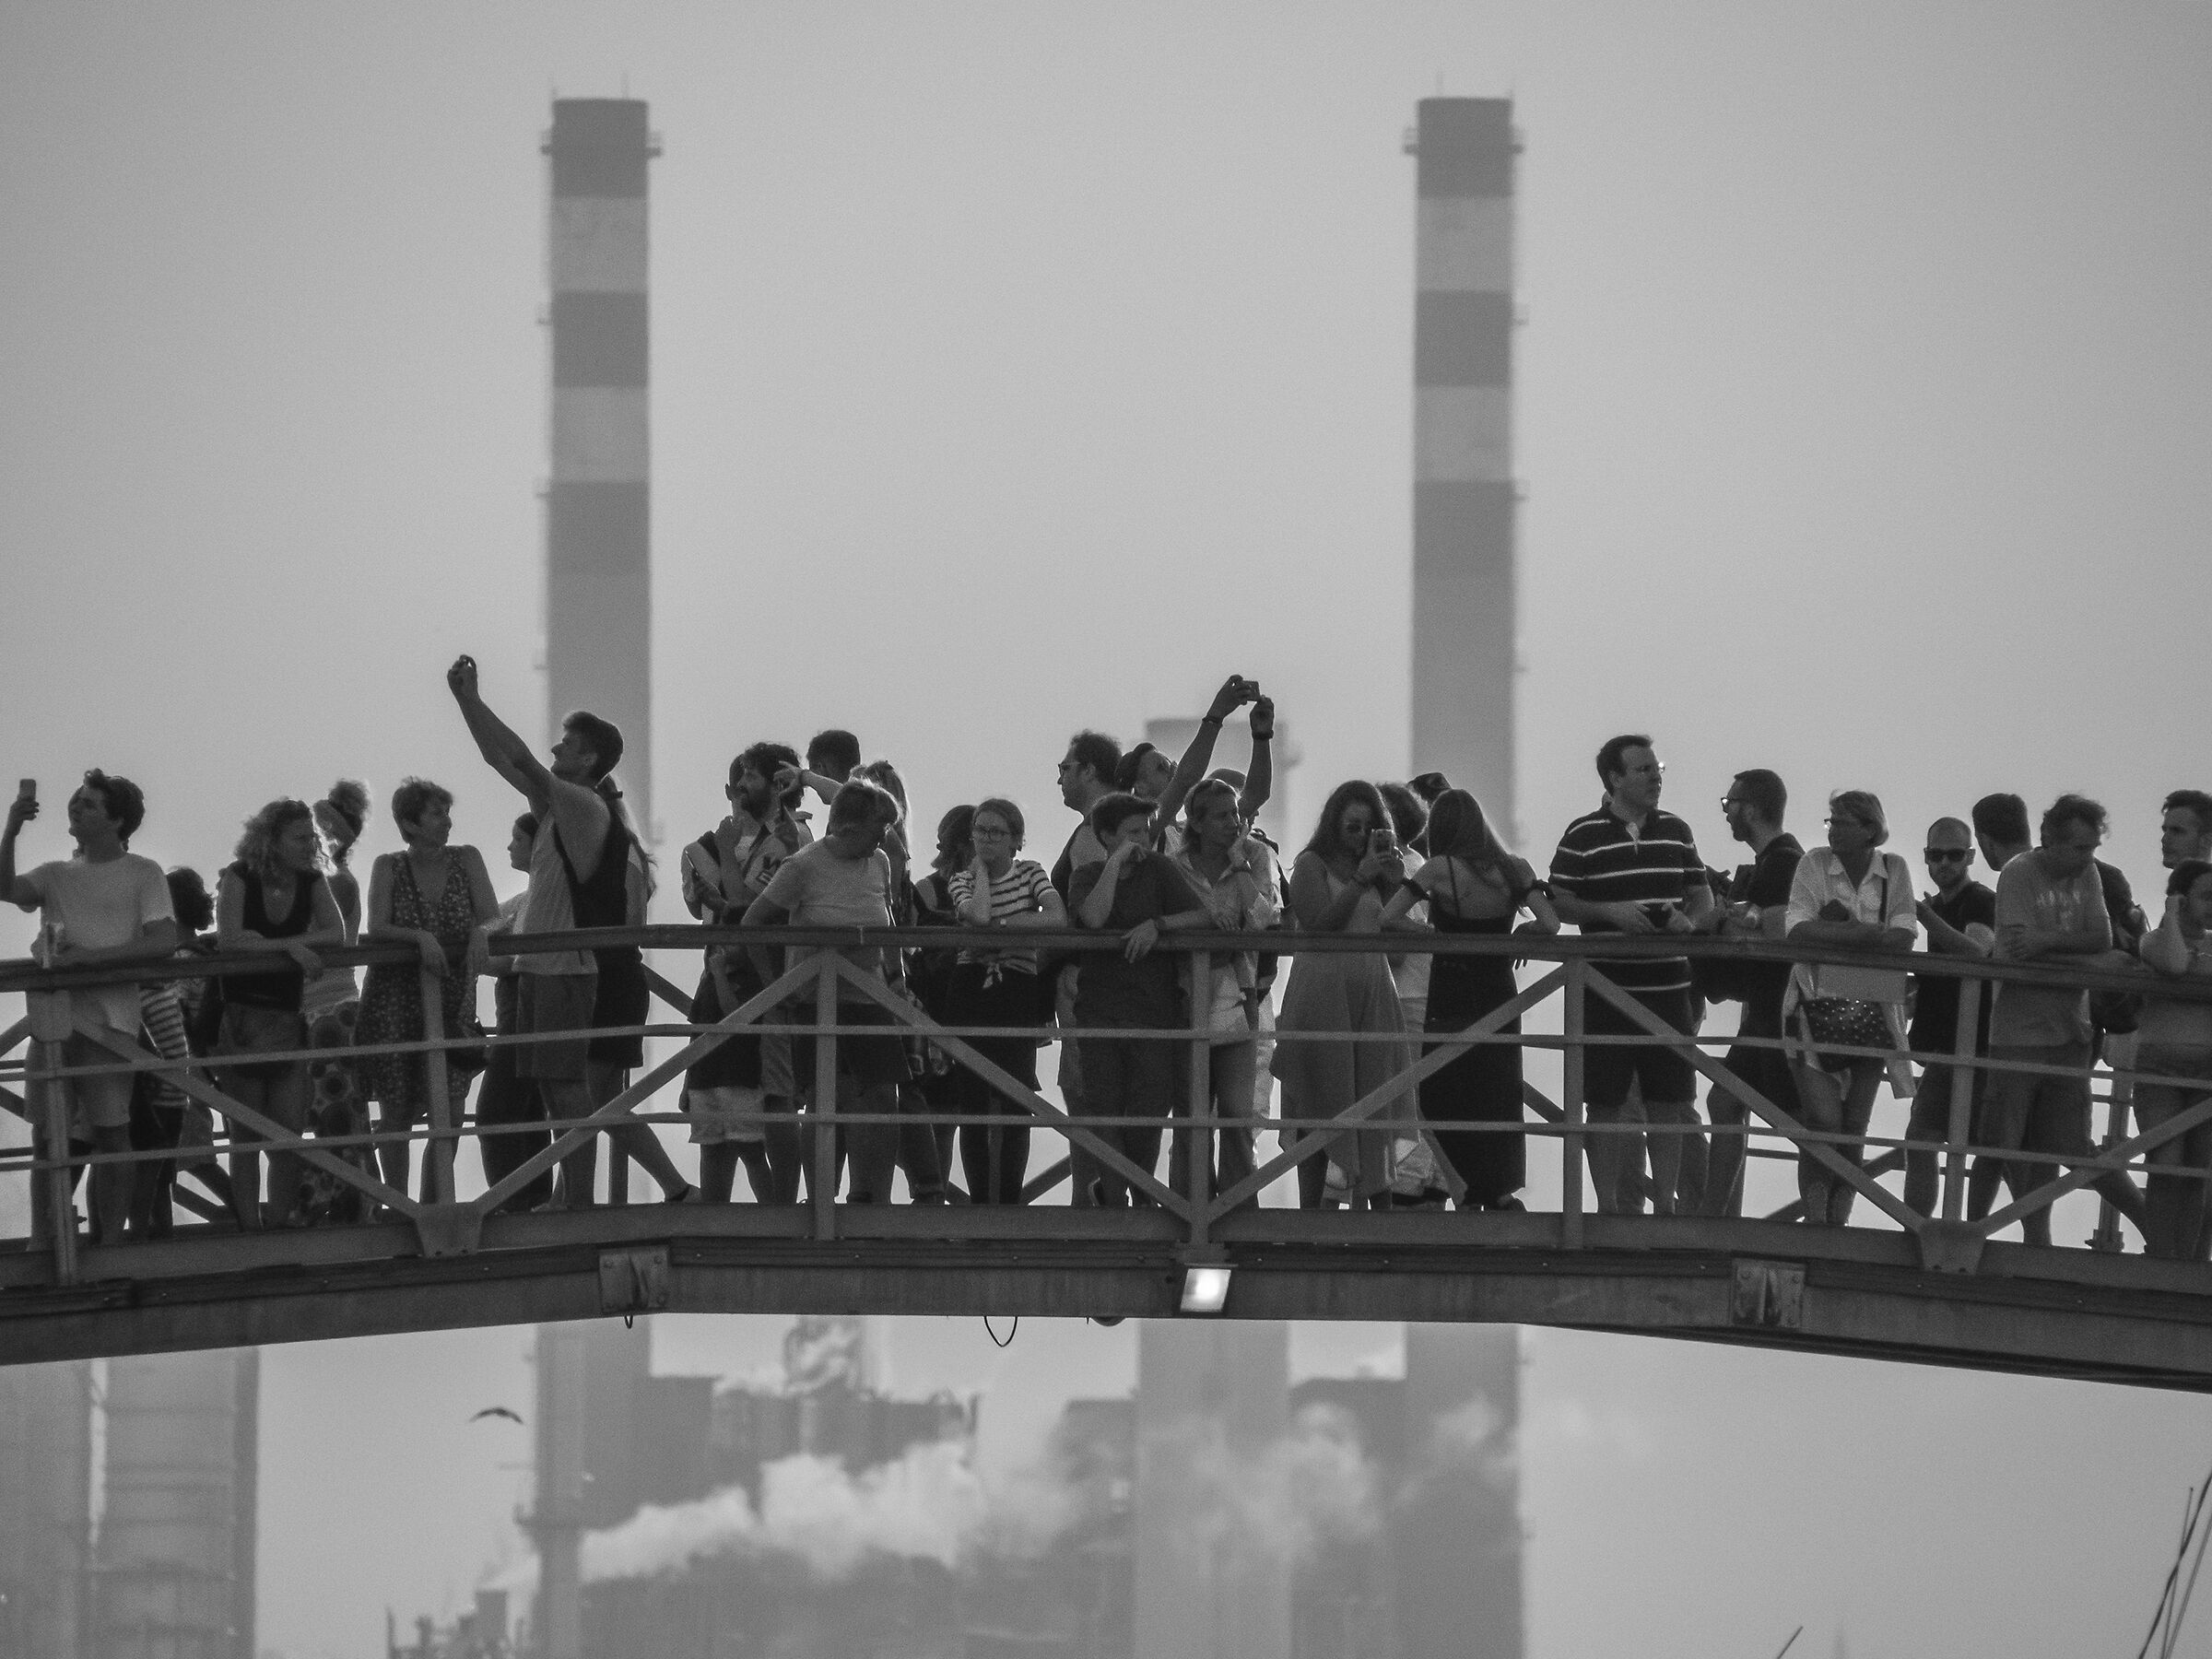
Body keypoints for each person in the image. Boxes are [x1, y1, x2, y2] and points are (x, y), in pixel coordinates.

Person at [446, 657, 678, 1208]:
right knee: (556, 1091)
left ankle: (578, 1201)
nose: (556, 750)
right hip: (539, 967)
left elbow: (520, 758)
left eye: (568, 745)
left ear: (589, 760)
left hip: (563, 968)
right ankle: (571, 1198)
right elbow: (499, 759)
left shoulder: (583, 805)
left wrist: (473, 699)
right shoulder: (556, 810)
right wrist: (464, 703)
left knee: (569, 1090)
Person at [2, 771, 179, 1243]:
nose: (76, 808)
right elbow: (6, 889)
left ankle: (110, 1243)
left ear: (117, 820)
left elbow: (164, 940)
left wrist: (89, 960)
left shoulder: (143, 872)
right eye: (76, 800)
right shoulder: (55, 874)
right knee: (48, 1139)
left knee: (112, 1135)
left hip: (111, 1023)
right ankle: (45, 1241)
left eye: (90, 804)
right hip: (53, 1021)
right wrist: (11, 830)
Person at [1547, 735, 1713, 1215]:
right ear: (1614, 778)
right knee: (1603, 1102)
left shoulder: (1677, 830)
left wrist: (1687, 922)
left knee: (1669, 1101)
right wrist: (1611, 912)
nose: (1655, 777)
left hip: (1668, 987)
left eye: (1657, 769)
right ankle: (1607, 1208)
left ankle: (1665, 1207)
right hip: (1605, 990)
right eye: (1643, 770)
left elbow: (1701, 896)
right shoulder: (1582, 834)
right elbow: (1560, 901)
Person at [1973, 794, 2148, 1245]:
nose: (2087, 858)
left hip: (2071, 1032)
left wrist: (2047, 942)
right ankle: (1970, 1234)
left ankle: (2151, 1226)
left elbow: (2100, 937)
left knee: (2069, 1147)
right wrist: (2086, 957)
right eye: (2079, 848)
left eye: (2091, 848)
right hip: (2017, 1034)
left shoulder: (2088, 873)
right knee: (1998, 1145)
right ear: (2049, 839)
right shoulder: (2019, 873)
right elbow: (2019, 951)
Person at [1383, 789, 1559, 1210]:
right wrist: (1523, 932)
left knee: (1441, 1091)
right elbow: (1551, 923)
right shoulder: (1515, 869)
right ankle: (1495, 1190)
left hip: (1452, 989)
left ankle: (1460, 1185)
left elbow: (1388, 917)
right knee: (1496, 1093)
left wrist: (1432, 936)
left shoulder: (1439, 869)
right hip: (1498, 991)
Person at [743, 779, 912, 1204]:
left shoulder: (879, 863)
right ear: (851, 827)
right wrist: (775, 986)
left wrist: (897, 977)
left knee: (882, 1096)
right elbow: (753, 923)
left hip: (869, 995)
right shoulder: (802, 866)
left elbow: (887, 920)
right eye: (879, 828)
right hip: (816, 999)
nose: (883, 837)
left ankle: (872, 1199)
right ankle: (821, 1202)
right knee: (824, 1101)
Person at [355, 779, 500, 1202]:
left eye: (446, 812)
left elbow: (492, 915)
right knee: (397, 1111)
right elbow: (377, 926)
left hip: (452, 999)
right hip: (393, 1001)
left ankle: (432, 1203)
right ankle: (398, 1205)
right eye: (437, 814)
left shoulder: (466, 859)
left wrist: (481, 932)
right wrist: (419, 937)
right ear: (409, 823)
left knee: (450, 1114)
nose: (447, 822)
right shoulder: (389, 866)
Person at [1780, 791, 1918, 1226]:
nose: (1832, 829)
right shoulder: (1814, 864)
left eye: (1841, 822)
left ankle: (1836, 1222)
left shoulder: (1894, 869)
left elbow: (1904, 936)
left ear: (1869, 830)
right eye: (1831, 821)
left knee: (1854, 1127)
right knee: (1823, 1123)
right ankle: (1816, 1219)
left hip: (1873, 1010)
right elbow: (1796, 929)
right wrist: (1864, 935)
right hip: (1812, 1003)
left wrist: (1834, 931)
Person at [1276, 781, 1416, 1208]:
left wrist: (1394, 884)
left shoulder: (1373, 871)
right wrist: (1359, 879)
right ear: (1334, 825)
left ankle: (1379, 1215)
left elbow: (1393, 935)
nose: (1360, 837)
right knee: (1317, 1101)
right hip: (1322, 996)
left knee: (1376, 1099)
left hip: (1372, 994)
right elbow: (1319, 925)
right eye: (1353, 827)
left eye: (1370, 829)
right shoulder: (1311, 864)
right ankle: (1310, 1216)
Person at [679, 743, 808, 1204]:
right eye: (739, 777)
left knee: (772, 1103)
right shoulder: (721, 843)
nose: (740, 786)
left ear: (778, 784)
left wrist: (725, 857)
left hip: (769, 983)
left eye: (751, 776)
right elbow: (715, 907)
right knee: (715, 1110)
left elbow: (748, 906)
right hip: (720, 982)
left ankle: (783, 1212)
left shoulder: (792, 839)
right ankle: (716, 1217)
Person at [1069, 793, 1210, 1206]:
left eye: (1146, 832)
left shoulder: (1160, 870)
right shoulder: (1088, 875)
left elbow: (1203, 915)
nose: (1143, 841)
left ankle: (1141, 1196)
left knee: (1149, 1110)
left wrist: (1157, 925)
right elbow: (1093, 918)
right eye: (1132, 833)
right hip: (1100, 1008)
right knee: (1105, 1109)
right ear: (1107, 836)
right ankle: (1116, 1202)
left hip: (1154, 1009)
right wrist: (1114, 865)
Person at [215, 798, 347, 1230]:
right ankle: (250, 1231)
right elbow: (230, 940)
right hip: (242, 1016)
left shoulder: (310, 879)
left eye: (312, 837)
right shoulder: (240, 876)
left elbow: (337, 932)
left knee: (288, 1133)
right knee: (246, 1136)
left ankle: (278, 1225)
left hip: (289, 1015)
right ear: (272, 839)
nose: (309, 845)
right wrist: (291, 946)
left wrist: (275, 945)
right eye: (299, 837)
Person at [1168, 778, 1281, 1208]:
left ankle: (1237, 1209)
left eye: (1235, 813)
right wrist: (1206, 919)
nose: (1234, 822)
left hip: (1239, 994)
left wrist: (1239, 867)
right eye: (1221, 816)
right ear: (1196, 824)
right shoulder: (1176, 865)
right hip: (1185, 997)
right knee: (1193, 1114)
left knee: (1236, 1112)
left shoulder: (1255, 856)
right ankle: (1190, 1208)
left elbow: (1262, 920)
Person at [947, 797, 1065, 1203]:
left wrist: (1003, 926)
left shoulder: (1031, 872)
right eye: (980, 831)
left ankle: (1010, 1199)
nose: (986, 839)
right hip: (971, 989)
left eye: (996, 833)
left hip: (1017, 988)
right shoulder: (962, 880)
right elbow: (976, 916)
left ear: (1016, 840)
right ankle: (981, 1200)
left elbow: (1056, 917)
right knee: (973, 1103)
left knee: (1017, 1098)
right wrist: (981, 874)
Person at [1697, 771, 1803, 1218]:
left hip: (1780, 1012)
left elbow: (1770, 935)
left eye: (1731, 804)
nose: (1726, 813)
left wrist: (1720, 919)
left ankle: (1826, 1216)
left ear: (1753, 809)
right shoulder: (1776, 861)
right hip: (1766, 1009)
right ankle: (1715, 1216)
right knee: (1726, 1099)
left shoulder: (1780, 863)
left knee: (1803, 1122)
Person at [1901, 817, 1997, 1217]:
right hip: (1949, 1046)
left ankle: (1945, 1230)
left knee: (1968, 1144)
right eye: (1935, 855)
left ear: (1970, 857)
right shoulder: (1940, 906)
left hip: (1976, 1046)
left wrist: (1924, 917)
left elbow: (1976, 951)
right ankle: (1929, 1228)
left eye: (1953, 855)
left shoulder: (1980, 900)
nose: (1943, 863)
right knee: (1933, 1140)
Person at [1049, 729, 1122, 1204]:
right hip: (1095, 981)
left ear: (1090, 770)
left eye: (1066, 768)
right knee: (1089, 1096)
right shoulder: (1107, 825)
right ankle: (1096, 1202)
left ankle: (1092, 1209)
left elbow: (1100, 910)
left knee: (1087, 1094)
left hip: (1090, 982)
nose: (1059, 778)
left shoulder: (1098, 828)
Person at [474, 813, 553, 1214]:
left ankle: (510, 1201)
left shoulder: (537, 902)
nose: (509, 846)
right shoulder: (528, 899)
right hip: (523, 1018)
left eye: (517, 839)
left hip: (522, 1018)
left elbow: (517, 961)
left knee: (495, 1111)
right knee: (528, 1111)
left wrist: (477, 961)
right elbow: (486, 923)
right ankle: (534, 1199)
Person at [2136, 861, 2212, 1258]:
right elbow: (2175, 965)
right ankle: (2162, 1256)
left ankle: (2189, 1261)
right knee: (2166, 1166)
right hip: (2159, 1073)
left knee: (2198, 1171)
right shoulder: (2154, 941)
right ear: (2182, 899)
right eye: (2207, 897)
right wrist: (2171, 915)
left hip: (2206, 1075)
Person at [907, 806, 976, 1190]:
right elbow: (907, 949)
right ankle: (931, 1197)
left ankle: (983, 1206)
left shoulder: (998, 887)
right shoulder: (928, 889)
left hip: (979, 1005)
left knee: (983, 1116)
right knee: (940, 1118)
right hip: (935, 1007)